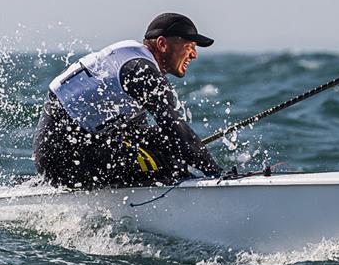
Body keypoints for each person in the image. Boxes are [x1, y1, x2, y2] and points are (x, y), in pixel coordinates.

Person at [33, 12, 222, 189]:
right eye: (189, 47)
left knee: (167, 149)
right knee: (168, 161)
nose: (194, 55)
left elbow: (141, 133)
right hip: (62, 158)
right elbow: (174, 128)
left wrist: (175, 149)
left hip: (78, 147)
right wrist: (217, 175)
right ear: (162, 44)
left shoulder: (132, 61)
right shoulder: (139, 70)